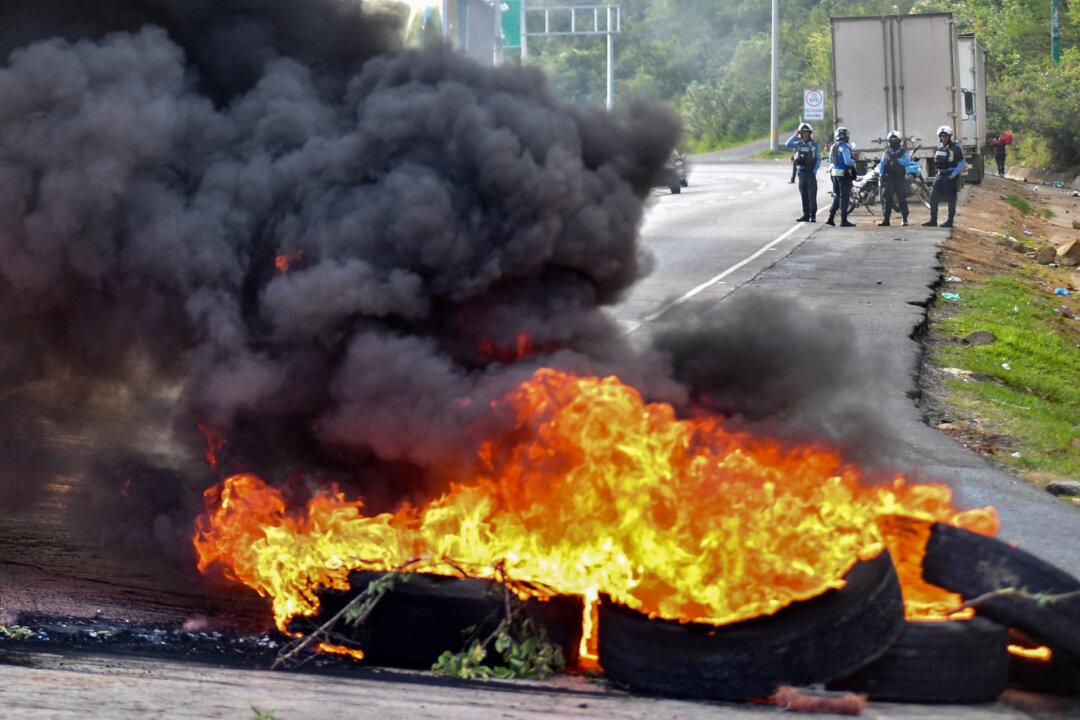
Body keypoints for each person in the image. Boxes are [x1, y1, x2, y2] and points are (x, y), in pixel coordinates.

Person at [923, 125, 966, 228]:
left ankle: (950, 221)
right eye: (942, 136)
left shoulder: (955, 147)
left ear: (949, 136)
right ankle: (933, 220)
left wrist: (953, 175)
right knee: (933, 197)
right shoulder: (940, 148)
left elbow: (961, 163)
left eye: (945, 136)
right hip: (940, 176)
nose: (943, 137)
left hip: (950, 176)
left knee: (951, 199)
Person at [784, 122, 821, 222]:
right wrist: (795, 134)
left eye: (807, 132)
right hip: (801, 173)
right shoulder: (798, 144)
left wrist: (814, 170)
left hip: (811, 173)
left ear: (810, 133)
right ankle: (806, 214)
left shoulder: (815, 145)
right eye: (803, 132)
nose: (805, 134)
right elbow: (787, 144)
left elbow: (818, 159)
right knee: (803, 194)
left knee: (812, 195)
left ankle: (813, 215)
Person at [876, 130, 910, 227]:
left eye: (895, 140)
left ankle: (904, 219)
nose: (893, 142)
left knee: (902, 198)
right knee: (887, 199)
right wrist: (881, 174)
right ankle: (886, 220)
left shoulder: (903, 151)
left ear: (899, 141)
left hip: (899, 178)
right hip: (888, 178)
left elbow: (907, 161)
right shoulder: (886, 152)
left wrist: (897, 159)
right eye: (891, 140)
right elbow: (882, 163)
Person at [826, 126, 856, 227]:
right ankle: (844, 221)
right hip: (844, 174)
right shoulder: (845, 147)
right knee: (845, 197)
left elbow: (830, 161)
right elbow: (848, 161)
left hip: (834, 174)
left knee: (837, 196)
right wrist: (854, 161)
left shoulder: (833, 146)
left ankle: (830, 218)